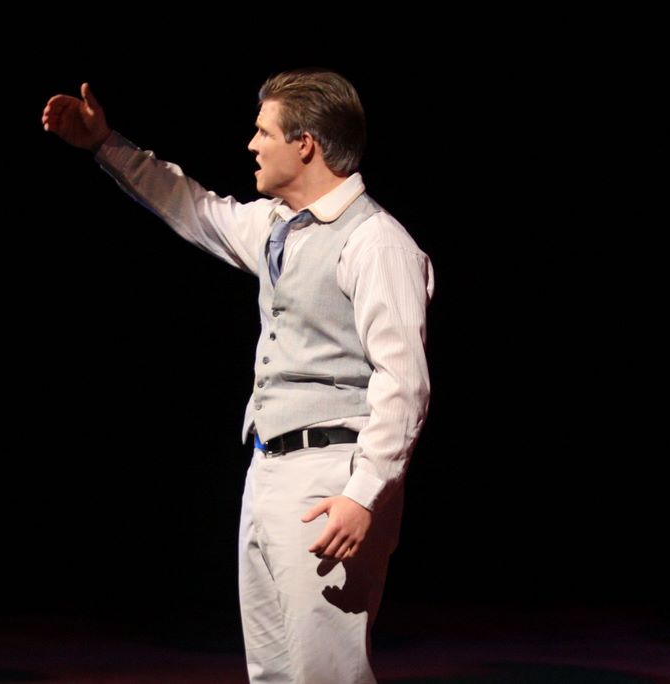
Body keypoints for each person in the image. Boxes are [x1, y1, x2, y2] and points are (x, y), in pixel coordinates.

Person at [42, 68, 433, 684]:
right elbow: (193, 207)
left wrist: (364, 496)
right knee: (272, 672)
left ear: (305, 144)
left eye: (264, 132)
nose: (252, 145)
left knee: (325, 673)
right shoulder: (279, 227)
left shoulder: (375, 243)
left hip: (333, 475)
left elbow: (404, 385)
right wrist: (105, 145)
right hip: (269, 465)